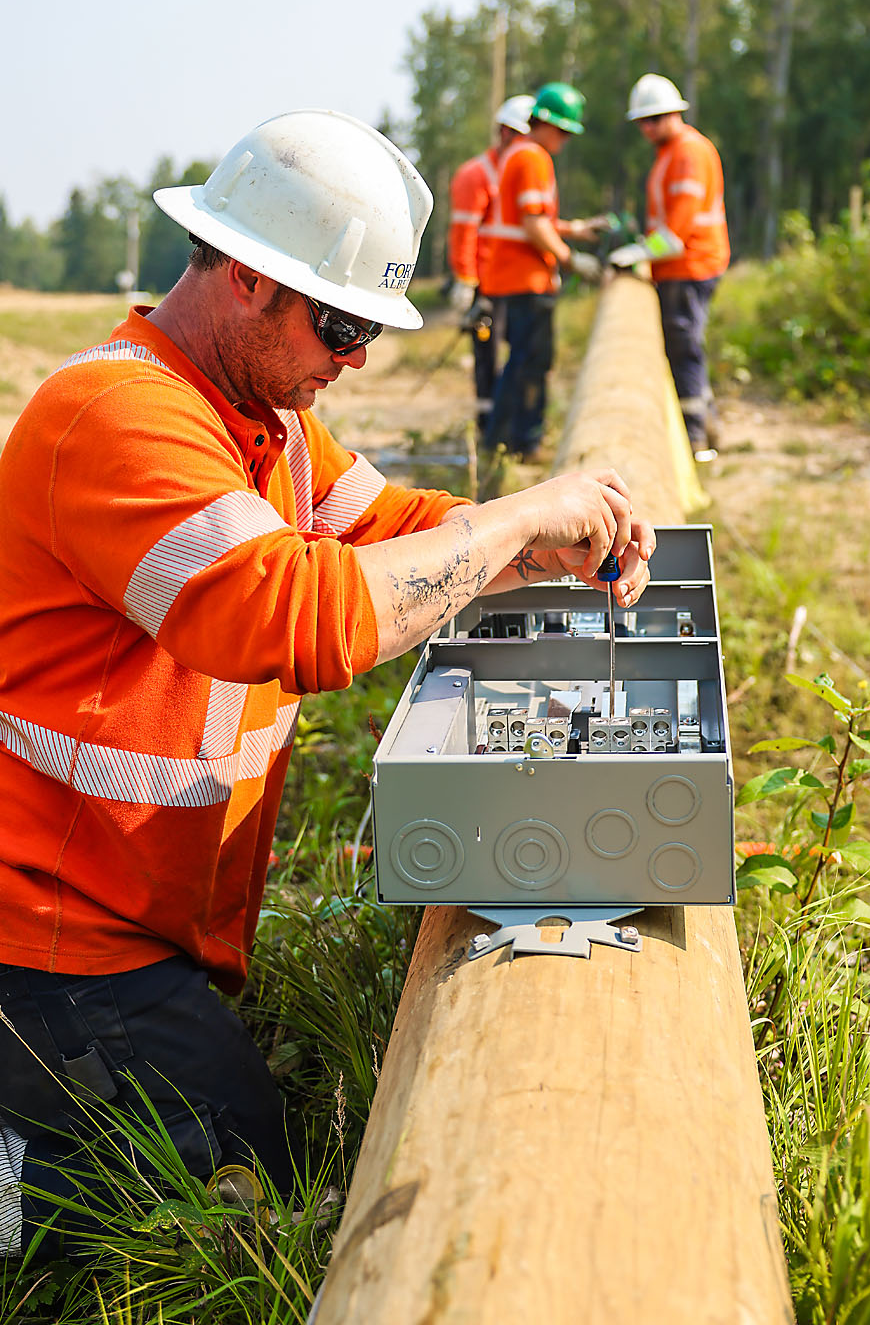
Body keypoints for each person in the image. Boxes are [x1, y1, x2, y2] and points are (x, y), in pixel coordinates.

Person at [0, 108, 654, 1259]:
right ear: (248, 280)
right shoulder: (115, 417)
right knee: (218, 1195)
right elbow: (289, 615)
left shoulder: (267, 420)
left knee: (251, 1147)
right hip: (51, 933)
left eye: (369, 334)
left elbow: (396, 529)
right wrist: (514, 514)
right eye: (341, 323)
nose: (352, 360)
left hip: (153, 917)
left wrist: (539, 540)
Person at [480, 82, 601, 460]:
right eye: (563, 131)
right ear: (545, 123)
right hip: (525, 280)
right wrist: (570, 258)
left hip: (514, 278)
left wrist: (575, 228)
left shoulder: (518, 155)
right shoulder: (533, 158)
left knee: (522, 360)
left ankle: (503, 440)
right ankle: (523, 441)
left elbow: (532, 220)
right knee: (531, 363)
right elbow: (533, 225)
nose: (565, 139)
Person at [615, 74, 731, 454]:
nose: (646, 129)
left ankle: (695, 439)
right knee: (684, 348)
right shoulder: (670, 153)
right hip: (678, 266)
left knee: (684, 348)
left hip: (690, 265)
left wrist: (638, 253)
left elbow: (677, 231)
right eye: (641, 123)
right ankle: (705, 429)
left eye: (653, 120)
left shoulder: (687, 153)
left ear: (672, 115)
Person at [446, 95, 534, 436]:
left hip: (515, 282)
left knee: (520, 354)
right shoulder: (476, 174)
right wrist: (466, 280)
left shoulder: (523, 172)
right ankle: (489, 425)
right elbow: (464, 231)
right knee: (488, 354)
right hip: (485, 282)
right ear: (503, 132)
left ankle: (513, 421)